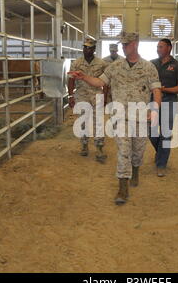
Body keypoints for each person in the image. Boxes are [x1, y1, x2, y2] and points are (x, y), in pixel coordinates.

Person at [68, 32, 162, 205]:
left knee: (138, 151)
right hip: (120, 117)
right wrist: (83, 77)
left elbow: (156, 90)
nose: (123, 47)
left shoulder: (149, 67)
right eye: (122, 45)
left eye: (126, 44)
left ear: (135, 44)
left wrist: (155, 109)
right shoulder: (115, 66)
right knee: (124, 150)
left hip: (141, 117)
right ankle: (122, 187)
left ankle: (135, 169)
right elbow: (99, 82)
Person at [149, 39, 178, 177]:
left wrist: (166, 89)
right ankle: (160, 152)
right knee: (150, 131)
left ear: (169, 48)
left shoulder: (177, 66)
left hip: (169, 102)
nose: (158, 49)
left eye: (160, 47)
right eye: (157, 47)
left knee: (165, 134)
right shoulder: (152, 64)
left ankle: (161, 164)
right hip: (152, 102)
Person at [68, 38, 109, 163]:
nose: (87, 50)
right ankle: (84, 145)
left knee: (99, 123)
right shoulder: (76, 63)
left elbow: (106, 82)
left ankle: (99, 148)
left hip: (97, 96)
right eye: (85, 47)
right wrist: (70, 96)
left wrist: (106, 98)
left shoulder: (102, 64)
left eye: (90, 48)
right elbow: (71, 80)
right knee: (83, 122)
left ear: (94, 49)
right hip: (81, 96)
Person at [102, 43, 124, 111]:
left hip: (119, 87)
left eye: (114, 51)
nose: (113, 53)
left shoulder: (122, 60)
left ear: (117, 50)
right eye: (111, 51)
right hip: (108, 88)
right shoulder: (104, 60)